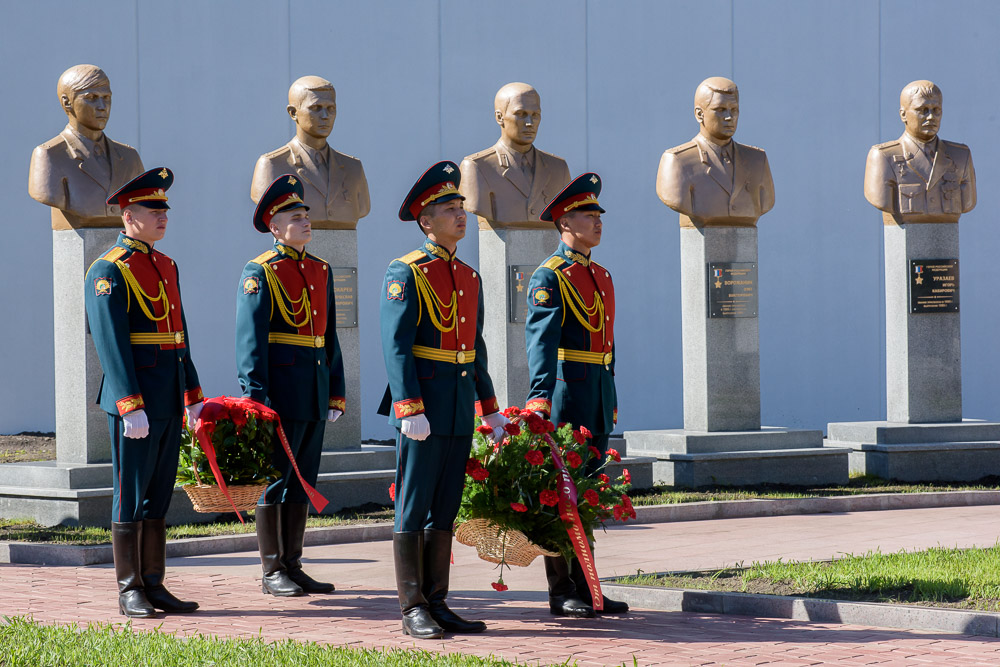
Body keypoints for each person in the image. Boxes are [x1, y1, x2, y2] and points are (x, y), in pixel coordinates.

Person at [378, 161, 508, 638]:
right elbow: (395, 346)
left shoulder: (469, 277)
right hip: (423, 408)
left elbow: (476, 350)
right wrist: (408, 407)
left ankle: (438, 601)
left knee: (445, 508)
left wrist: (489, 407)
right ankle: (412, 605)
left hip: (456, 408)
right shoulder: (406, 271)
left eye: (461, 207)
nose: (461, 215)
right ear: (424, 221)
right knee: (413, 506)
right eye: (449, 209)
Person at [84, 167, 203, 618]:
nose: (163, 216)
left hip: (169, 395)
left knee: (158, 492)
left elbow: (179, 336)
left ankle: (154, 582)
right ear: (128, 214)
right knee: (130, 492)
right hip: (135, 399)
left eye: (164, 209)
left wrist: (192, 393)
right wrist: (128, 403)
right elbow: (110, 343)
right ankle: (129, 586)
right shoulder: (108, 270)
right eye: (153, 209)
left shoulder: (166, 264)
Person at [236, 174, 346, 598]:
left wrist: (335, 390)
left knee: (303, 481)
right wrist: (255, 397)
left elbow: (329, 336)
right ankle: (271, 570)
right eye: (293, 216)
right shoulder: (260, 271)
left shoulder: (320, 269)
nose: (304, 222)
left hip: (314, 390)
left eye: (306, 215)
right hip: (279, 392)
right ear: (273, 226)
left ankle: (294, 564)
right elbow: (251, 340)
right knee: (276, 480)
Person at [524, 172, 629, 617]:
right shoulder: (551, 276)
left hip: (597, 392)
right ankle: (560, 588)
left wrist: (612, 393)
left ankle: (587, 587)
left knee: (586, 492)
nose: (598, 220)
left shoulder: (601, 275)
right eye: (589, 214)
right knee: (559, 491)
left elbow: (608, 345)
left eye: (598, 213)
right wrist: (540, 398)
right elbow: (541, 343)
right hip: (568, 394)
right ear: (565, 222)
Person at [29, 64, 144, 223]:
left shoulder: (129, 157)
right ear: (67, 102)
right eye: (91, 98)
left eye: (107, 98)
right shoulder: (50, 155)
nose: (103, 107)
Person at [251, 76, 370, 228]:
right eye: (316, 108)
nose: (325, 116)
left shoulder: (353, 167)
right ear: (293, 113)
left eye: (331, 108)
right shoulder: (272, 165)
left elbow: (363, 208)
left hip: (346, 246)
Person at [656, 77, 774, 226]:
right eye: (720, 110)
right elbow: (676, 198)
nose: (729, 117)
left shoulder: (757, 160)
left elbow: (765, 203)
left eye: (734, 110)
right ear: (700, 114)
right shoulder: (678, 161)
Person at [460, 82, 571, 226]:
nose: (530, 123)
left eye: (535, 115)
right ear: (500, 117)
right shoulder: (477, 167)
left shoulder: (558, 168)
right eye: (521, 114)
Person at [864, 80, 976, 222]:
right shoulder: (884, 157)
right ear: (903, 115)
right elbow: (881, 200)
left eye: (936, 110)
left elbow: (968, 203)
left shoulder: (960, 156)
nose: (931, 117)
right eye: (922, 110)